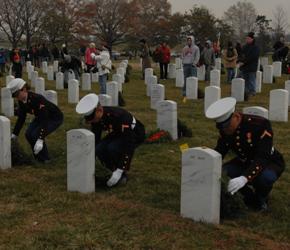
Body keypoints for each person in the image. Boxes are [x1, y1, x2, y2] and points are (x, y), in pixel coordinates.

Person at [206, 97, 285, 211]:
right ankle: (248, 197)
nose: (225, 130)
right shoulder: (225, 130)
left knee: (264, 178)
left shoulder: (260, 124)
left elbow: (262, 157)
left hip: (268, 162)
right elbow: (220, 151)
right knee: (223, 173)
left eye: (228, 125)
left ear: (236, 117)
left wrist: (244, 178)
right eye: (221, 127)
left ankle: (261, 198)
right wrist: (207, 166)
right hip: (245, 161)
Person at [76, 93, 145, 187]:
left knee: (113, 148)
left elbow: (129, 143)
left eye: (93, 118)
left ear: (99, 110)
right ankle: (112, 169)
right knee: (99, 149)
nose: (92, 122)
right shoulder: (97, 117)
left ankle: (121, 174)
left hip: (134, 134)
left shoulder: (118, 116)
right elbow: (96, 138)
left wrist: (121, 168)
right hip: (117, 133)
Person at [7, 78, 63, 163]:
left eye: (17, 94)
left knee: (36, 134)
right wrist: (15, 134)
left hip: (54, 117)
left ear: (24, 89)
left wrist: (40, 139)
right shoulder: (22, 101)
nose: (17, 97)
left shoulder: (37, 99)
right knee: (28, 134)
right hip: (40, 116)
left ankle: (45, 159)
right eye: (15, 95)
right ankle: (38, 157)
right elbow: (21, 118)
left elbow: (45, 119)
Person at [239, 32, 259, 101]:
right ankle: (246, 92)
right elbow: (242, 55)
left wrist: (243, 62)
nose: (247, 40)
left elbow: (253, 57)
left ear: (252, 39)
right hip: (245, 67)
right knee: (245, 80)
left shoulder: (256, 47)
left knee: (251, 80)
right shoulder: (245, 47)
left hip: (252, 66)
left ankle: (252, 91)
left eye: (248, 38)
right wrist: (240, 61)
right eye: (246, 38)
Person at [181, 35, 200, 102]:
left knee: (193, 79)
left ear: (192, 40)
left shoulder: (196, 48)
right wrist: (183, 62)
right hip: (186, 65)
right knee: (185, 79)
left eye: (190, 40)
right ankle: (184, 93)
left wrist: (194, 63)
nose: (189, 41)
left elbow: (197, 57)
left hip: (192, 65)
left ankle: (194, 92)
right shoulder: (184, 48)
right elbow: (182, 55)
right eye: (188, 40)